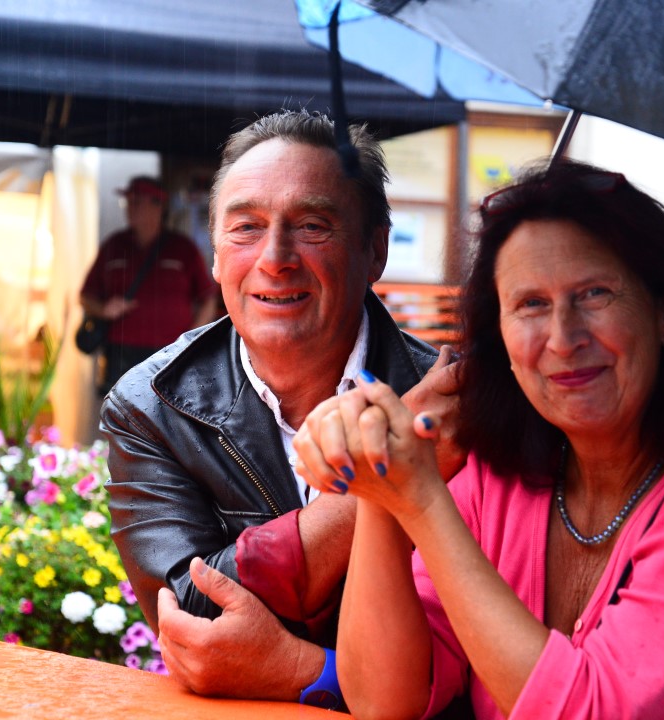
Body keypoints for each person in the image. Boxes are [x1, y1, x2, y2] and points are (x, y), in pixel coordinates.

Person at [294, 160, 664, 718]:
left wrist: (421, 501)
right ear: (500, 337)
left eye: (594, 294)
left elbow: (591, 711)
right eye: (531, 304)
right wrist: (383, 487)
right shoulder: (502, 473)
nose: (563, 338)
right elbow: (386, 700)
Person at [102, 111, 462, 704]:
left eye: (313, 226)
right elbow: (196, 620)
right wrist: (401, 467)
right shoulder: (151, 405)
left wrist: (294, 668)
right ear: (214, 254)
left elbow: (473, 663)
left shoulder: (458, 406)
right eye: (246, 227)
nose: (275, 258)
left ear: (375, 250)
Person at [79, 175, 219, 396]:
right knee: (121, 412)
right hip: (121, 354)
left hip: (170, 354)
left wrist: (189, 341)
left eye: (137, 201)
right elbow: (86, 296)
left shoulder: (183, 248)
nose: (130, 208)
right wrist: (103, 310)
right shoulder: (114, 246)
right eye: (128, 201)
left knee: (167, 412)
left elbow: (208, 299)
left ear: (158, 206)